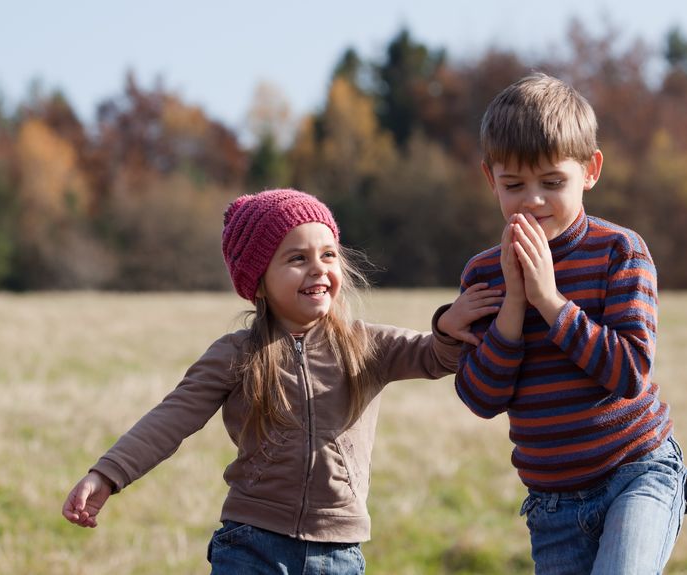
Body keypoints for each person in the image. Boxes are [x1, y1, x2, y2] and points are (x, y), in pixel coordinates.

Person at [62, 188, 501, 574]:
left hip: (339, 551)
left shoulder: (366, 344)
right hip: (252, 545)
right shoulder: (236, 354)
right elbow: (171, 419)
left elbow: (433, 355)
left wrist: (448, 324)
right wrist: (107, 474)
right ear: (258, 282)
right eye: (297, 258)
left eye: (328, 255)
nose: (318, 269)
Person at [452, 72, 687, 574]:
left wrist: (550, 301)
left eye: (552, 182)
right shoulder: (483, 273)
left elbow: (630, 372)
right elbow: (482, 398)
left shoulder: (619, 251)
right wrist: (514, 306)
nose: (533, 200)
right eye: (514, 184)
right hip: (553, 505)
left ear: (590, 170)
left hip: (637, 472)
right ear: (489, 178)